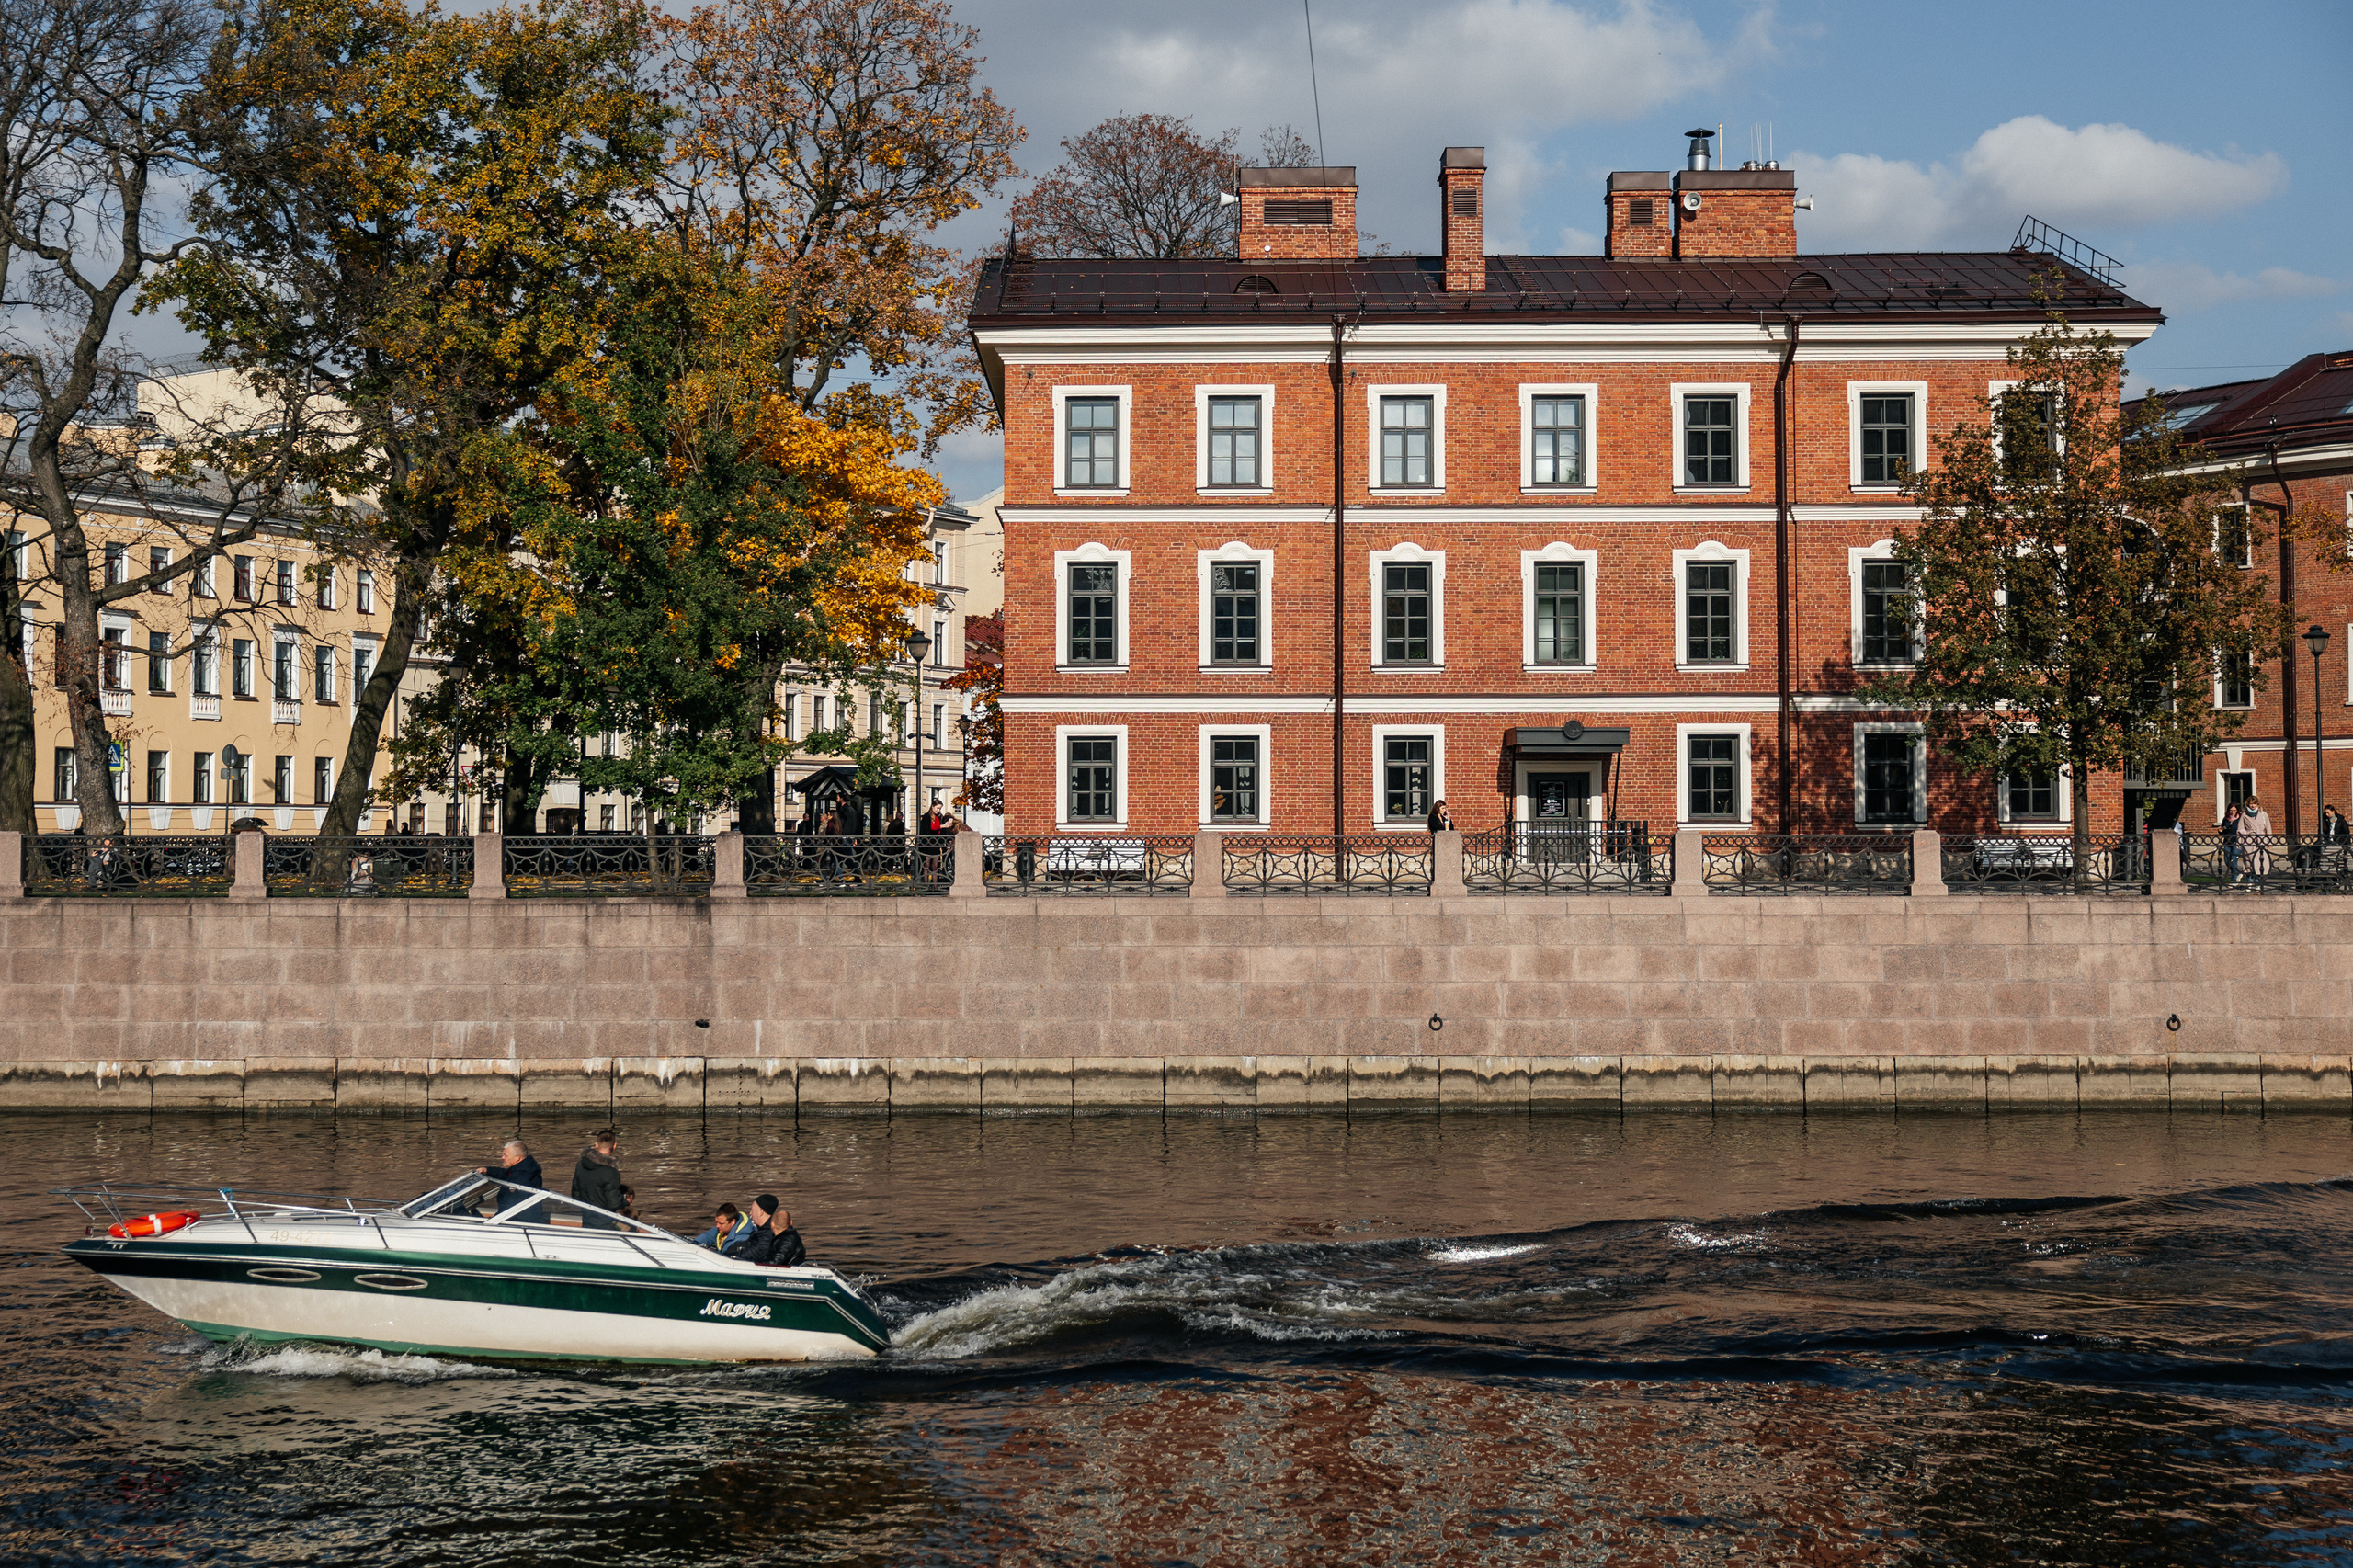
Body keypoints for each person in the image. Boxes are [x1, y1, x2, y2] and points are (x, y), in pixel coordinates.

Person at [476, 1139, 548, 1225]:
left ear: (517, 1158)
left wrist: (492, 1222)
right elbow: (506, 1174)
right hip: (525, 1220)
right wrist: (488, 1170)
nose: (502, 1157)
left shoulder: (521, 1178)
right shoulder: (524, 1169)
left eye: (505, 1155)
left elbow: (511, 1207)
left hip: (521, 1223)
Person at [571, 1128, 625, 1228]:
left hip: (586, 1218)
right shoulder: (611, 1173)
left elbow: (575, 1194)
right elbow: (613, 1204)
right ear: (614, 1146)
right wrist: (625, 1200)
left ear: (596, 1145)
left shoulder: (580, 1165)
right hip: (604, 1223)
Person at [2242, 795, 2275, 885]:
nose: (2252, 806)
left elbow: (2268, 828)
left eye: (2254, 804)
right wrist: (2240, 841)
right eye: (2251, 804)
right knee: (2248, 861)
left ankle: (2258, 883)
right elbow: (2240, 829)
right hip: (2249, 840)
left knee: (2260, 861)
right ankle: (2249, 882)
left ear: (2257, 804)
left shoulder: (2264, 815)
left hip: (2261, 840)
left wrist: (2270, 841)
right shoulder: (2244, 815)